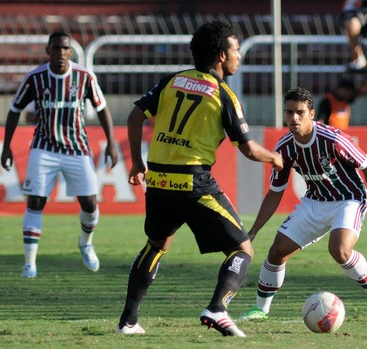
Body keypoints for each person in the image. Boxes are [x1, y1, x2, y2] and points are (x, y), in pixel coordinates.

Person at [116, 21, 283, 337]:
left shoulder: (172, 81)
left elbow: (136, 115)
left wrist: (137, 162)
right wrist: (274, 157)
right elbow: (247, 148)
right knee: (243, 249)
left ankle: (128, 321)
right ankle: (218, 308)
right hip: (193, 183)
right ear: (222, 56)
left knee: (156, 244)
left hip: (160, 181)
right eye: (235, 50)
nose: (239, 57)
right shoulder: (223, 94)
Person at [238, 87, 367, 322]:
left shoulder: (333, 139)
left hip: (348, 199)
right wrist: (254, 231)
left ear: (311, 113)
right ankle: (261, 309)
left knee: (340, 250)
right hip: (315, 201)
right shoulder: (284, 148)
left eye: (300, 112)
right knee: (276, 252)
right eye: (289, 112)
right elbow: (275, 192)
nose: (294, 118)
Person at [0, 32, 119, 279]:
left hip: (77, 148)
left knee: (90, 204)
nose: (61, 53)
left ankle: (86, 242)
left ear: (71, 52)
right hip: (44, 148)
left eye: (65, 49)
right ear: (48, 51)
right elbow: (14, 110)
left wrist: (112, 143)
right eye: (56, 48)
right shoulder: (36, 78)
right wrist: (6, 146)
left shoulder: (84, 77)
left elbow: (102, 108)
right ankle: (29, 264)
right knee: (35, 202)